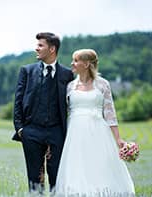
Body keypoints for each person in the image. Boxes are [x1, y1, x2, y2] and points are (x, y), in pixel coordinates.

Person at [55, 49, 135, 196]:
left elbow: (110, 114)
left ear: (86, 64)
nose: (72, 63)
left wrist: (118, 139)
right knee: (77, 166)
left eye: (76, 60)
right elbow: (62, 113)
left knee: (99, 165)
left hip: (98, 132)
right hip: (75, 134)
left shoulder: (103, 85)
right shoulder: (70, 86)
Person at [12, 32, 74, 193]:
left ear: (52, 49)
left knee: (56, 177)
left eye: (40, 45)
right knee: (34, 179)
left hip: (56, 132)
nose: (36, 48)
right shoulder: (27, 71)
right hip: (31, 131)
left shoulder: (67, 74)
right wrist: (20, 129)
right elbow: (18, 102)